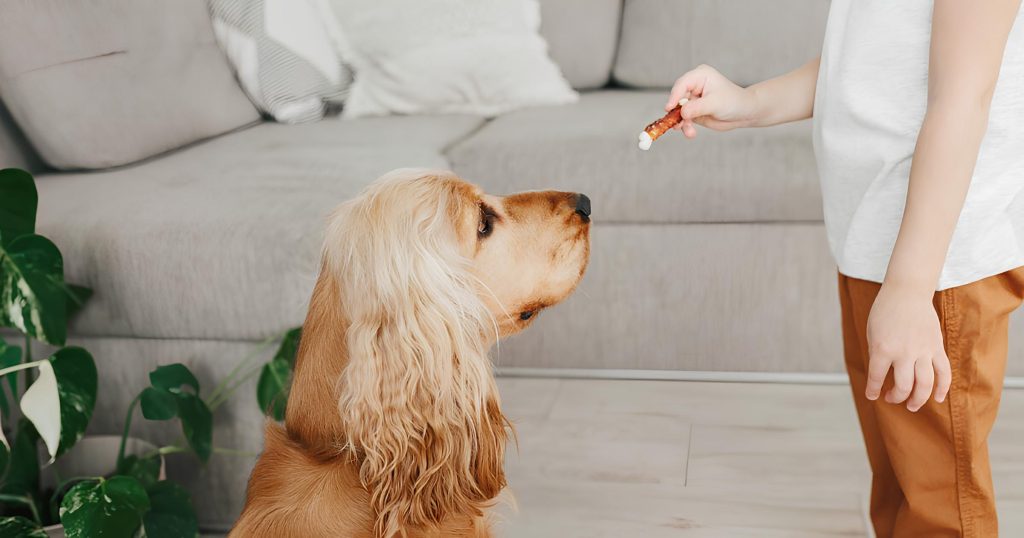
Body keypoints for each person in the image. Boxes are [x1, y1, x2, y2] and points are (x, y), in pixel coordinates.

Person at [665, 1, 1024, 536]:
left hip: (933, 270)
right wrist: (750, 102)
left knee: (937, 505)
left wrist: (909, 290)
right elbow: (864, 64)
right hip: (880, 250)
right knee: (901, 481)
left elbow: (962, 99)